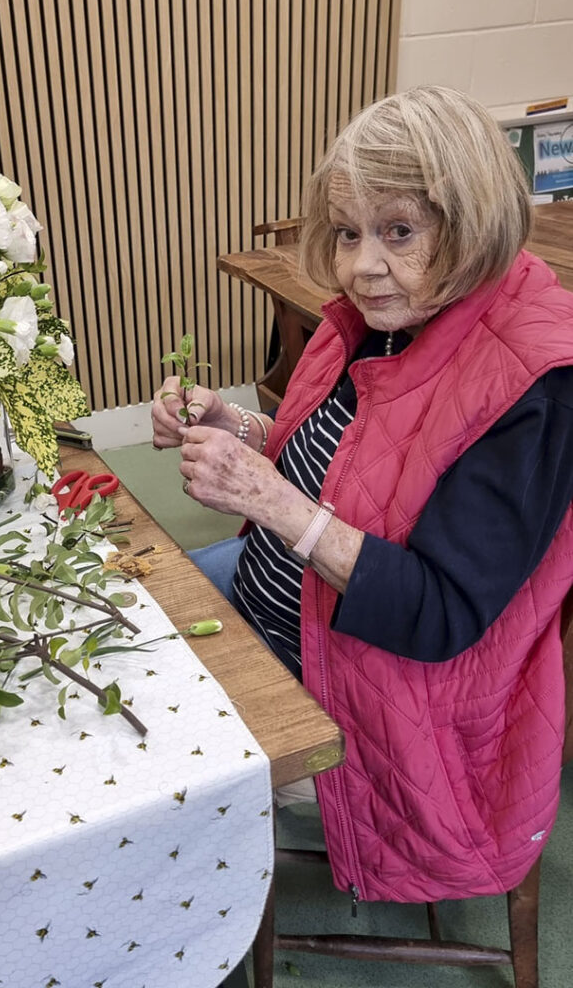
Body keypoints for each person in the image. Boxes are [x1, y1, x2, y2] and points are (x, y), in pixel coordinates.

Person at [152, 85, 573, 906]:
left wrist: (270, 502)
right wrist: (237, 427)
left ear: (471, 220)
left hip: (386, 706)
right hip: (278, 600)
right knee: (118, 618)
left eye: (398, 231)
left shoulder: (533, 389)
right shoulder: (392, 311)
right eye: (348, 233)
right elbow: (345, 468)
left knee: (149, 741)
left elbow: (441, 612)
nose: (359, 265)